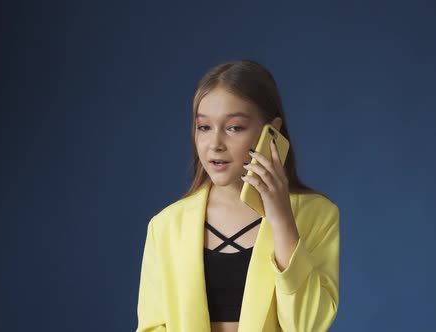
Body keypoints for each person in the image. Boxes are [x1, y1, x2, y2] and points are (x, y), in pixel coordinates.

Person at [136, 60, 340, 332]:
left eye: (234, 127)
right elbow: (152, 326)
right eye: (204, 127)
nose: (215, 144)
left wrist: (281, 220)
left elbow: (309, 325)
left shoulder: (318, 214)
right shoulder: (165, 226)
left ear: (273, 131)